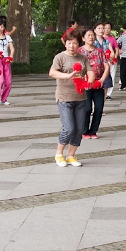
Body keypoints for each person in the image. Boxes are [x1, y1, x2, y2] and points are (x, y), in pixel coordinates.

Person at [49, 29, 95, 167]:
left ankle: (71, 155)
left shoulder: (82, 58)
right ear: (65, 44)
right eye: (69, 43)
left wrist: (89, 83)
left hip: (80, 98)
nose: (71, 46)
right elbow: (52, 72)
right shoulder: (60, 57)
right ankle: (59, 154)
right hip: (64, 98)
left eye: (74, 43)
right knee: (68, 128)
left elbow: (91, 72)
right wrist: (68, 76)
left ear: (78, 44)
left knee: (79, 129)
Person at [79, 28, 110, 139]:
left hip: (98, 84)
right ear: (83, 38)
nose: (91, 37)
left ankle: (93, 131)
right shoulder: (79, 52)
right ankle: (84, 131)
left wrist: (102, 80)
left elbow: (107, 66)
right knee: (87, 109)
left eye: (92, 35)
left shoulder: (100, 51)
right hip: (85, 85)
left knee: (99, 108)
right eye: (88, 35)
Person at [0, 17, 15, 106]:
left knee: (8, 81)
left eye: (3, 26)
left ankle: (4, 99)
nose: (1, 28)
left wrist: (11, 56)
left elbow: (12, 48)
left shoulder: (7, 37)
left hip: (6, 60)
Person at [103, 22, 119, 100]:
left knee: (112, 75)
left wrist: (115, 57)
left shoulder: (112, 38)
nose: (107, 30)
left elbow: (116, 49)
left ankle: (109, 93)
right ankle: (103, 91)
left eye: (109, 28)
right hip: (103, 60)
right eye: (105, 28)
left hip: (111, 60)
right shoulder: (100, 38)